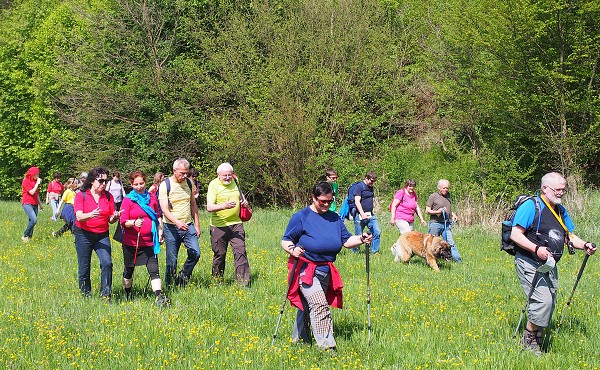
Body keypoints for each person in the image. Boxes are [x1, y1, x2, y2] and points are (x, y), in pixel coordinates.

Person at [281, 181, 373, 353]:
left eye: (329, 201)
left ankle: (299, 338)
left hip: (325, 270)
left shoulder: (334, 218)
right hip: (306, 270)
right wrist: (293, 250)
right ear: (313, 197)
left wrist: (361, 238)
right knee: (320, 305)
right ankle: (328, 347)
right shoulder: (301, 217)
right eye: (321, 201)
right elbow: (285, 240)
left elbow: (346, 240)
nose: (325, 204)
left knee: (308, 306)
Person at [511, 172, 596, 355]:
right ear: (545, 189)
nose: (561, 193)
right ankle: (528, 342)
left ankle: (536, 339)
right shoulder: (530, 206)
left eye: (563, 190)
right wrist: (536, 249)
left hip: (549, 264)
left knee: (549, 303)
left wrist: (585, 245)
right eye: (557, 190)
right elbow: (515, 234)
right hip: (529, 261)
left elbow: (569, 236)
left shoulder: (559, 210)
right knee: (543, 301)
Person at [120, 171, 170, 307]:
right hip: (131, 242)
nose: (139, 186)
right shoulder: (128, 200)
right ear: (131, 185)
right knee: (129, 269)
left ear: (145, 182)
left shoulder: (152, 198)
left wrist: (160, 231)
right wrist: (133, 223)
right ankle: (128, 293)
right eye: (135, 184)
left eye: (141, 183)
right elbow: (123, 221)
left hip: (149, 241)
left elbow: (157, 215)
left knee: (154, 269)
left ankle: (159, 297)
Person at [74, 167, 121, 299]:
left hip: (102, 234)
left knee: (107, 263)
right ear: (92, 181)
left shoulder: (108, 196)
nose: (104, 184)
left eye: (106, 181)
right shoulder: (81, 195)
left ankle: (105, 295)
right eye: (101, 181)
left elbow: (110, 219)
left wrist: (115, 217)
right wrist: (90, 215)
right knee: (84, 266)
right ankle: (86, 295)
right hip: (83, 234)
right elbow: (79, 217)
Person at [158, 158, 201, 288]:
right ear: (174, 170)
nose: (184, 176)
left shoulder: (189, 183)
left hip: (188, 226)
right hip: (171, 227)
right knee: (172, 260)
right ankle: (169, 286)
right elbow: (164, 209)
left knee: (195, 254)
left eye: (186, 173)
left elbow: (193, 205)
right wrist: (176, 222)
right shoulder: (165, 185)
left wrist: (197, 225)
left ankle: (182, 278)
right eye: (181, 173)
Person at [206, 162, 250, 286]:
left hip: (236, 223)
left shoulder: (235, 181)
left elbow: (240, 197)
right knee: (220, 254)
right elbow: (209, 207)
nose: (227, 178)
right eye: (224, 175)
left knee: (240, 251)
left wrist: (244, 203)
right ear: (218, 175)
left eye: (229, 175)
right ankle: (217, 281)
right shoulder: (213, 185)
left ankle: (242, 283)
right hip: (219, 225)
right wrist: (223, 206)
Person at [426, 179, 462, 262]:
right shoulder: (433, 196)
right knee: (432, 244)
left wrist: (453, 214)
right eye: (444, 188)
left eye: (447, 188)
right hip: (435, 224)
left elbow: (448, 208)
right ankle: (431, 260)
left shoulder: (448, 196)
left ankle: (458, 261)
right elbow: (427, 210)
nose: (446, 190)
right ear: (439, 188)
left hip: (446, 224)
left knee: (450, 243)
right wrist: (437, 212)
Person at [352, 171, 381, 254]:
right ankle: (355, 252)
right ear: (366, 178)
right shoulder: (359, 186)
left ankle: (375, 251)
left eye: (374, 181)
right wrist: (362, 213)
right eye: (371, 181)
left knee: (377, 232)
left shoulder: (371, 187)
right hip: (359, 215)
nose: (373, 183)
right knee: (359, 235)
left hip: (370, 214)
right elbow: (357, 201)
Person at [21, 166, 44, 242]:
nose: (38, 176)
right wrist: (37, 183)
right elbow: (31, 192)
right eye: (37, 174)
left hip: (35, 204)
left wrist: (40, 204)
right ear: (32, 174)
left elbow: (36, 194)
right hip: (27, 203)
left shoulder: (34, 181)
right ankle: (25, 235)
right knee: (34, 220)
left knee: (31, 221)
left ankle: (29, 237)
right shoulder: (26, 181)